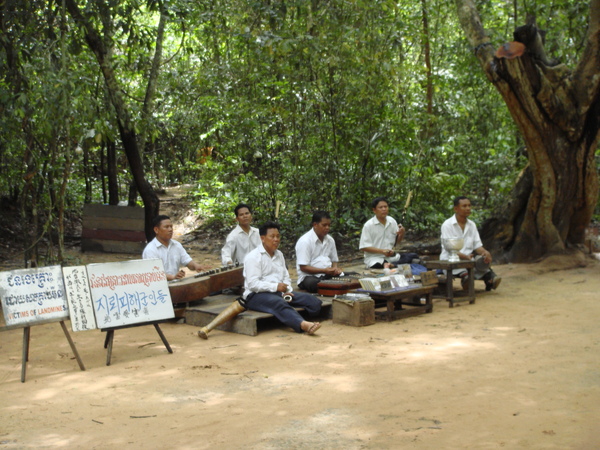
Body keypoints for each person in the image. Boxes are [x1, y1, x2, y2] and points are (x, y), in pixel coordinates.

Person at [242, 221, 322, 335]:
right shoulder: (253, 257)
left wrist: (287, 290)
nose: (276, 239)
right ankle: (303, 324)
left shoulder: (279, 254)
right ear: (263, 238)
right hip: (255, 295)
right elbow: (253, 284)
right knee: (279, 302)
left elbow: (285, 277)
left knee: (313, 301)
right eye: (272, 236)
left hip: (279, 292)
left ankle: (292, 317)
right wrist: (275, 287)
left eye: (278, 236)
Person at [440, 196, 502, 291]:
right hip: (451, 259)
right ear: (456, 209)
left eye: (469, 205)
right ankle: (467, 279)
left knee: (482, 263)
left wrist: (485, 252)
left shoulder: (472, 225)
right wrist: (465, 257)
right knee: (464, 269)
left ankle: (489, 279)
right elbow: (449, 248)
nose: (468, 208)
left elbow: (477, 246)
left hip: (468, 259)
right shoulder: (447, 225)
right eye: (464, 206)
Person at [142, 215, 209, 281]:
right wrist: (173, 277)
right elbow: (153, 274)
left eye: (171, 227)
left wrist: (196, 266)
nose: (170, 229)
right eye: (166, 227)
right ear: (156, 230)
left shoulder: (177, 245)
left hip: (176, 285)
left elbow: (187, 261)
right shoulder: (150, 250)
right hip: (159, 289)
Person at [359, 197, 418, 269]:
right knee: (377, 265)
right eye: (380, 207)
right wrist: (382, 251)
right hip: (375, 258)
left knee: (414, 255)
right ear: (374, 210)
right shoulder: (368, 225)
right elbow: (363, 247)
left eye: (385, 207)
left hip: (391, 257)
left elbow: (397, 242)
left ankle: (392, 265)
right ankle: (393, 265)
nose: (384, 209)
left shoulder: (392, 221)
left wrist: (402, 233)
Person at [295, 211, 343, 293]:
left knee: (353, 276)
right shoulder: (305, 241)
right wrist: (324, 270)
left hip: (327, 275)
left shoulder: (330, 240)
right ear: (315, 225)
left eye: (329, 225)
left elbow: (334, 260)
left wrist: (335, 269)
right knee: (315, 284)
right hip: (309, 277)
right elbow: (303, 267)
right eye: (324, 225)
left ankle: (330, 284)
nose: (327, 228)